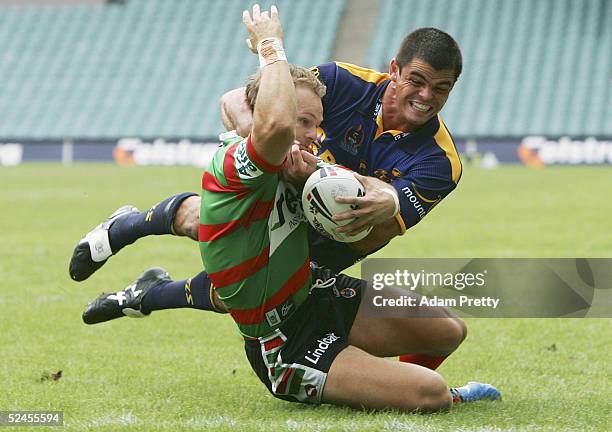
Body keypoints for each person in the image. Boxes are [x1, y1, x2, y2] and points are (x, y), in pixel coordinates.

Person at [97, 5, 499, 410]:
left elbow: (381, 223)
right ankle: (129, 229)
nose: (427, 96)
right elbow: (244, 101)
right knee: (207, 229)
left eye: (442, 88)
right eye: (417, 80)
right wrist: (274, 145)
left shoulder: (440, 161)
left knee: (448, 330)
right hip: (276, 252)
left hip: (323, 261)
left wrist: (326, 178)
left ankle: (148, 293)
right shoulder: (343, 82)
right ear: (394, 69)